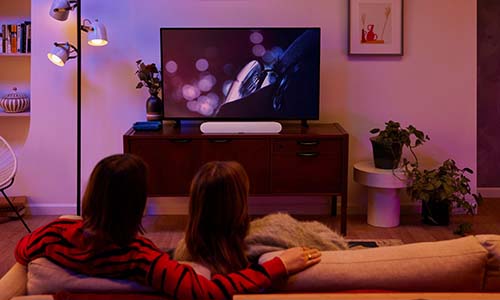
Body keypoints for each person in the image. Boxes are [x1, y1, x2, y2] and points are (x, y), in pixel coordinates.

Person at [14, 154, 321, 299]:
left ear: (91, 194)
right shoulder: (144, 260)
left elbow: (21, 253)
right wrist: (276, 266)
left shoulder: (51, 234)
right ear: (137, 205)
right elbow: (209, 292)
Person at [174, 161, 337, 275]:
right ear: (240, 201)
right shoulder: (276, 231)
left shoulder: (184, 254)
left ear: (195, 204)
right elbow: (335, 247)